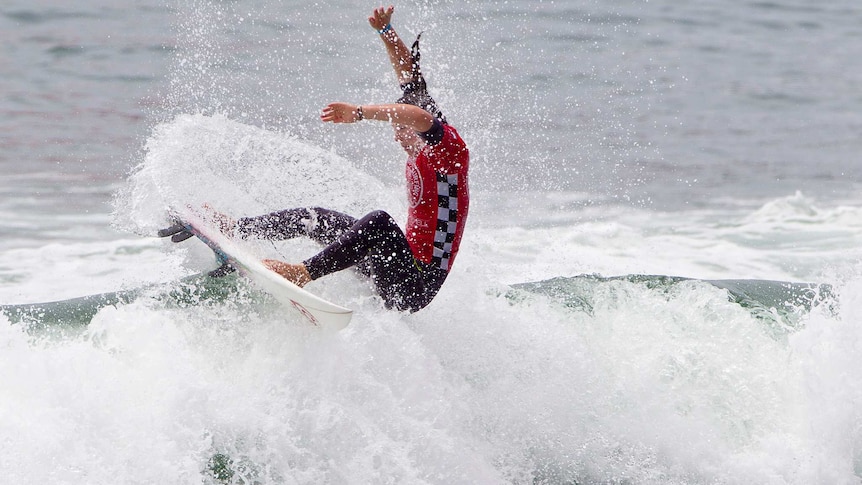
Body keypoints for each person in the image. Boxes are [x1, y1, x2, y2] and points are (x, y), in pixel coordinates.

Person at [214, 5, 469, 313]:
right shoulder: (426, 145)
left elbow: (418, 114)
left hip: (416, 285)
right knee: (316, 216)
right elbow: (411, 80)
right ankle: (238, 228)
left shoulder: (449, 155)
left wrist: (360, 112)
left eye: (401, 129)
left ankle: (300, 273)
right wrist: (386, 32)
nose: (397, 136)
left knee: (379, 222)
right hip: (395, 264)